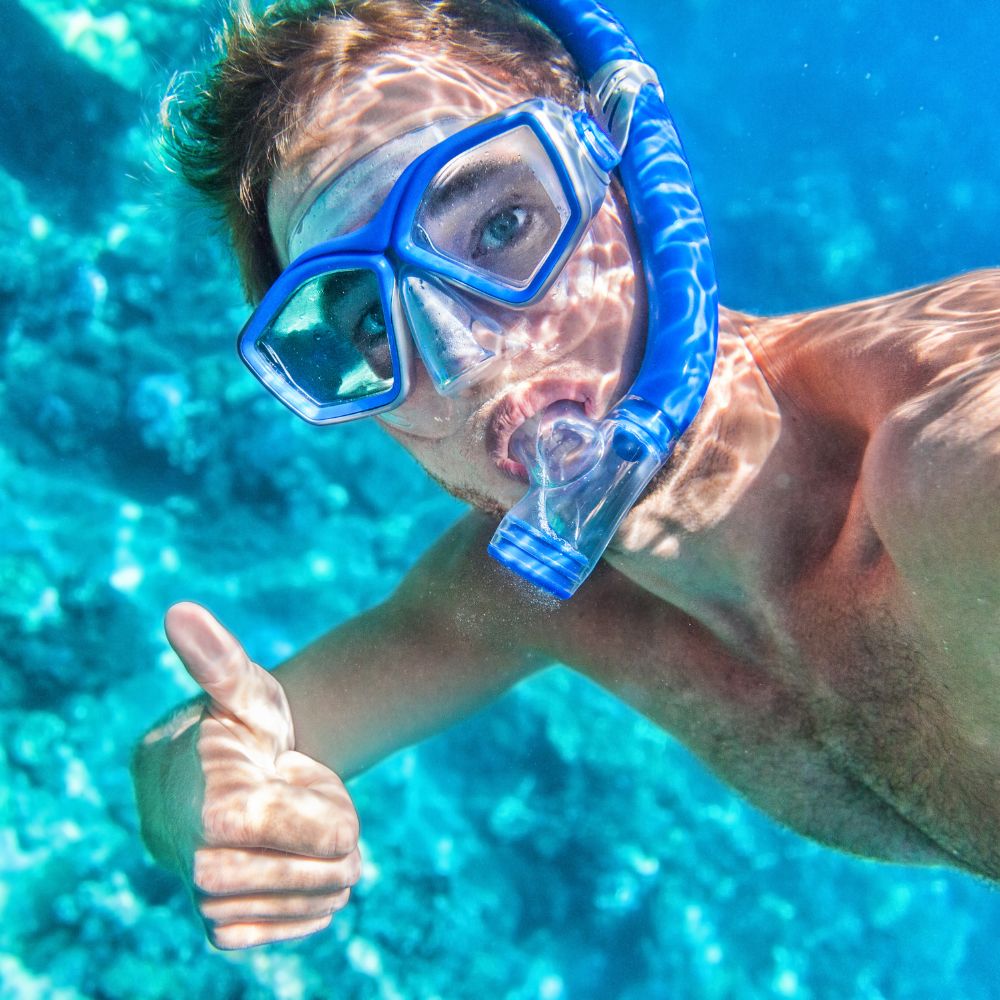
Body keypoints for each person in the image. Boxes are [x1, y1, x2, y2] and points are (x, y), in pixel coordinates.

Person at [132, 0, 1000, 951]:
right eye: (372, 325)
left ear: (632, 176)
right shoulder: (537, 589)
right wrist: (217, 804)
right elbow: (204, 754)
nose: (460, 356)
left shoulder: (941, 464)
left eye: (502, 223)